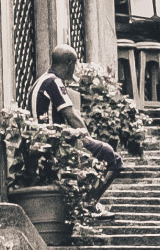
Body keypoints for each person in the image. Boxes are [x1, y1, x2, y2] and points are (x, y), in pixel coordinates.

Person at [30, 45, 123, 216]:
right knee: (111, 156)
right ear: (69, 63)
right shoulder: (54, 82)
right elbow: (71, 115)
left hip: (45, 142)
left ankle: (87, 203)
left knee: (107, 159)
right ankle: (89, 205)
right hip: (55, 144)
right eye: (75, 64)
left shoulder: (41, 80)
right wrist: (87, 138)